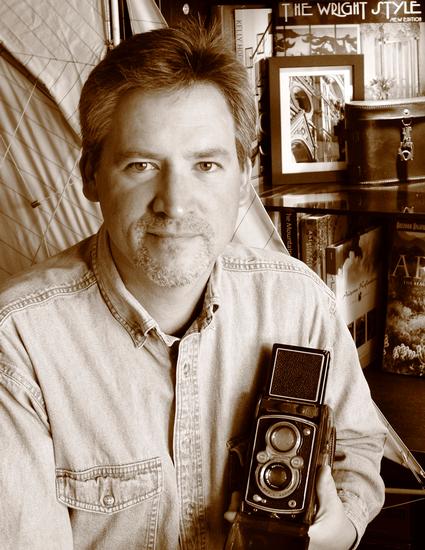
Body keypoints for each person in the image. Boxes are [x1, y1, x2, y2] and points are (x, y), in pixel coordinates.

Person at [0, 20, 386, 550]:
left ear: (244, 176)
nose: (175, 204)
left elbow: (357, 447)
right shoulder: (19, 345)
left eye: (206, 164)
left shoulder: (296, 301)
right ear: (91, 175)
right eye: (141, 165)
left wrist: (340, 528)